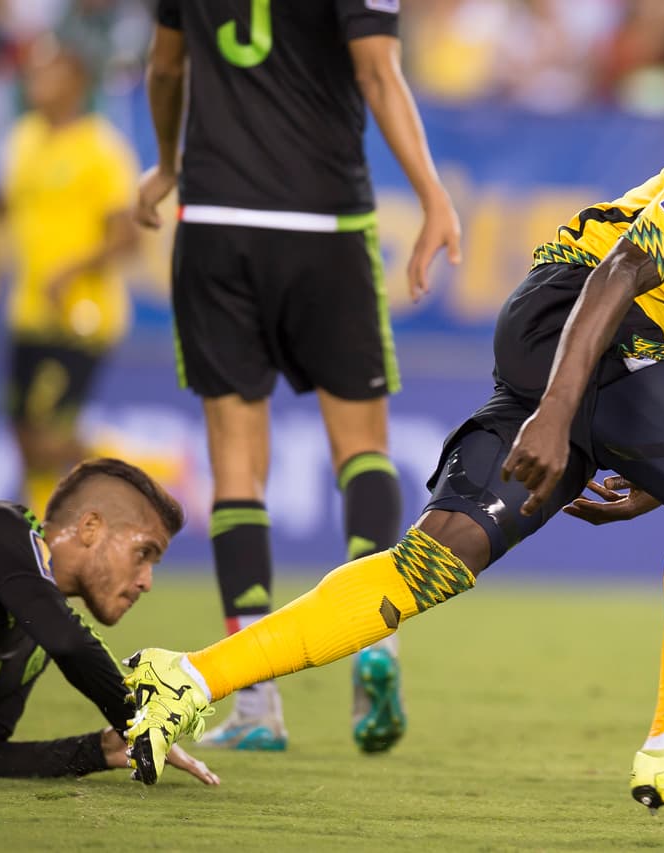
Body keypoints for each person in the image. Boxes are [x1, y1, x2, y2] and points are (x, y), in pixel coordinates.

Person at [123, 8, 664, 813]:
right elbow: (619, 274)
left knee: (436, 560)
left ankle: (184, 678)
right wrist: (558, 412)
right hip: (572, 311)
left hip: (632, 360)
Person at [135, 1, 462, 753]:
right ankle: (376, 639)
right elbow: (379, 74)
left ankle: (254, 702)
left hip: (215, 221)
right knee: (361, 449)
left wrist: (165, 162)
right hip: (327, 222)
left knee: (237, 461)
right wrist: (433, 195)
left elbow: (165, 65)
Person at [0, 458, 216, 784]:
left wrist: (96, 750)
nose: (147, 582)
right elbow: (71, 643)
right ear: (91, 528)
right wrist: (140, 722)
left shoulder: (33, 637)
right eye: (143, 553)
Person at [2, 38, 140, 518]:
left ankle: (145, 469)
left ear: (77, 81)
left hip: (83, 313)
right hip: (28, 309)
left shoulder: (101, 148)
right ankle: (37, 536)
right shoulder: (22, 139)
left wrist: (71, 270)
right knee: (23, 432)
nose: (36, 82)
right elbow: (16, 221)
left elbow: (129, 238)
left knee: (49, 433)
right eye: (34, 73)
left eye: (49, 72)